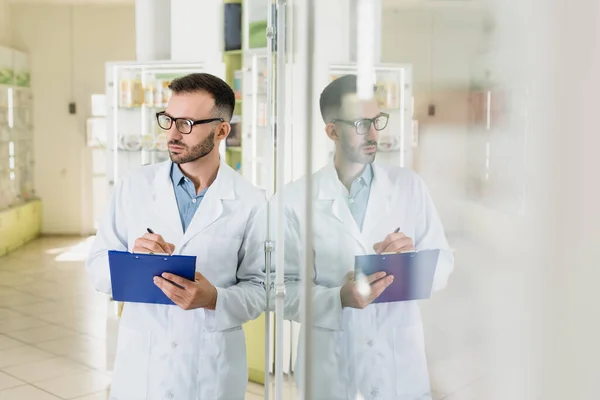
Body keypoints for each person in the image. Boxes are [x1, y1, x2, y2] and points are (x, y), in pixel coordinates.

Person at [273, 74, 454, 399]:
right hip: (328, 364)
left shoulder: (408, 186)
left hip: (397, 362)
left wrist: (409, 265)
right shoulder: (294, 199)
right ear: (331, 130)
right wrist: (339, 297)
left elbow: (444, 262)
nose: (373, 134)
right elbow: (280, 290)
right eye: (360, 123)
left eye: (376, 121)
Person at [86, 73, 266, 400]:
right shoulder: (133, 187)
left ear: (222, 130)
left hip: (211, 367)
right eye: (168, 119)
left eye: (187, 124)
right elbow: (97, 265)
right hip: (144, 363)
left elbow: (261, 287)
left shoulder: (251, 201)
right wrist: (130, 262)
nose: (172, 133)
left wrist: (214, 299)